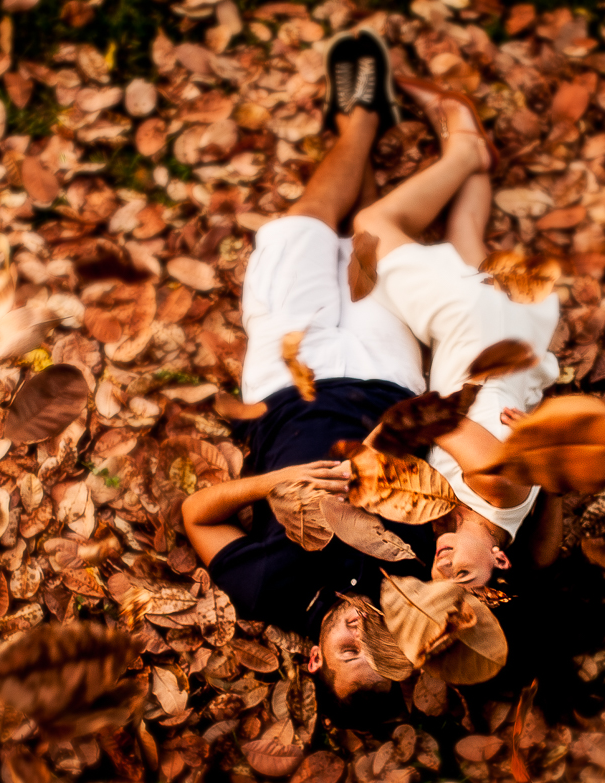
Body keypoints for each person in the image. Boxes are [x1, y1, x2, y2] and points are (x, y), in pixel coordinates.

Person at [182, 31, 503, 707]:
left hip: (284, 386)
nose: (360, 629)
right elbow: (479, 507)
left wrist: (272, 481)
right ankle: (363, 124)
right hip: (387, 379)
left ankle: (357, 119)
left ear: (314, 664)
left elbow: (196, 516)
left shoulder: (269, 591)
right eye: (378, 648)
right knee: (368, 245)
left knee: (301, 231)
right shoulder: (417, 580)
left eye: (347, 651)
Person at [355, 77, 565, 588]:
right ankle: (464, 150)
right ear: (500, 563)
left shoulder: (504, 522)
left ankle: (468, 150)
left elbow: (545, 558)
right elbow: (431, 417)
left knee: (463, 238)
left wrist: (554, 479)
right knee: (372, 224)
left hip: (514, 350)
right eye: (463, 576)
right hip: (476, 331)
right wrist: (365, 462)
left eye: (436, 576)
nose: (442, 563)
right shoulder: (496, 485)